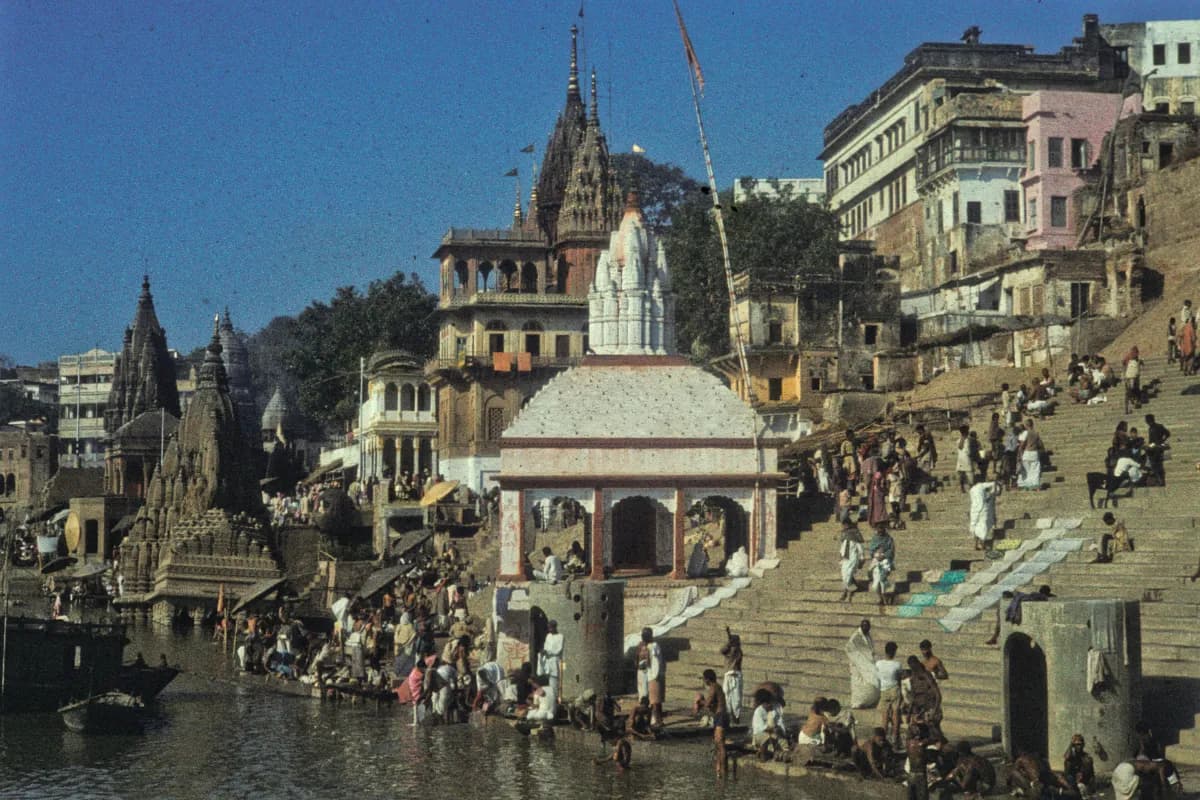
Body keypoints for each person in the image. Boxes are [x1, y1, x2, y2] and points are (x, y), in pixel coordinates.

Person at [700, 669, 729, 776]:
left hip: (721, 716)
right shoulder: (717, 687)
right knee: (718, 745)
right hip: (719, 716)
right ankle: (718, 772)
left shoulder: (714, 687)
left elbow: (707, 704)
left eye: (704, 679)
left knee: (720, 745)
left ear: (707, 679)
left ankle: (723, 771)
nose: (703, 681)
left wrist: (699, 700)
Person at [846, 619, 880, 709]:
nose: (866, 628)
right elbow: (850, 649)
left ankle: (869, 701)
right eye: (864, 626)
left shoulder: (868, 636)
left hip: (867, 663)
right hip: (857, 665)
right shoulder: (855, 637)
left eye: (867, 626)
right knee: (858, 684)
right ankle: (857, 703)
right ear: (861, 626)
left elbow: (869, 649)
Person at [875, 641, 903, 745]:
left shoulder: (879, 663)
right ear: (894, 651)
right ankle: (895, 737)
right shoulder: (897, 664)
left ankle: (884, 737)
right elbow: (899, 679)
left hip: (884, 690)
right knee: (896, 713)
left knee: (885, 715)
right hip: (895, 688)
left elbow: (877, 677)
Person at [635, 627, 663, 728]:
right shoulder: (643, 645)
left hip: (654, 676)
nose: (644, 637)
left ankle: (658, 721)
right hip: (648, 675)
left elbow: (654, 662)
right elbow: (637, 660)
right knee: (649, 699)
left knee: (655, 701)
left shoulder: (654, 646)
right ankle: (653, 720)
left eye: (645, 635)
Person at [750, 687, 787, 759]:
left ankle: (781, 752)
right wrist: (772, 729)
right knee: (766, 738)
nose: (770, 705)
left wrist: (780, 730)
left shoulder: (774, 710)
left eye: (770, 702)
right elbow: (761, 728)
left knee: (782, 740)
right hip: (759, 735)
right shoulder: (758, 712)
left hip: (773, 733)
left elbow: (780, 722)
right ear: (762, 703)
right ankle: (763, 754)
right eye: (767, 703)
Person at [719, 627, 743, 725]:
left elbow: (734, 653)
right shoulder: (728, 650)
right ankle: (729, 716)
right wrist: (729, 640)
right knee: (727, 696)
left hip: (736, 676)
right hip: (728, 676)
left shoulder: (738, 651)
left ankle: (736, 717)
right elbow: (722, 650)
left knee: (736, 699)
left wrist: (729, 637)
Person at [537, 620, 564, 707]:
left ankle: (555, 700)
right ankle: (548, 699)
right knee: (548, 681)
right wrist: (543, 652)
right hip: (548, 661)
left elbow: (558, 650)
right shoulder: (548, 636)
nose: (549, 630)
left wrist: (548, 652)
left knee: (555, 682)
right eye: (548, 628)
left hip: (556, 660)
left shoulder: (561, 636)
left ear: (555, 627)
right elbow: (546, 646)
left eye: (551, 628)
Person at [868, 524, 896, 608]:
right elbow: (871, 551)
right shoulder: (874, 538)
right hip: (876, 561)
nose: (879, 530)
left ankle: (884, 599)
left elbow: (891, 551)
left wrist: (883, 555)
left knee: (882, 580)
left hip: (885, 561)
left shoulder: (889, 539)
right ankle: (881, 598)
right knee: (876, 583)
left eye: (881, 528)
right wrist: (876, 555)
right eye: (878, 528)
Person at [968, 479, 998, 551]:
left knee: (975, 527)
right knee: (983, 527)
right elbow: (993, 483)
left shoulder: (971, 490)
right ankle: (982, 545)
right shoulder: (981, 486)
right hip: (982, 509)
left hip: (974, 510)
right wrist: (992, 492)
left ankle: (975, 545)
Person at [839, 521, 865, 602]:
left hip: (852, 559)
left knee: (849, 575)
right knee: (844, 576)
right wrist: (840, 557)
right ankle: (852, 588)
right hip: (845, 559)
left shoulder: (855, 539)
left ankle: (846, 593)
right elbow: (842, 550)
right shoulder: (844, 540)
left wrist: (862, 559)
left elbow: (860, 550)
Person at [1017, 418, 1043, 491]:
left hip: (1026, 453)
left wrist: (1020, 453)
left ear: (1026, 425)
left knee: (1026, 471)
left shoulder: (1025, 433)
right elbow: (1040, 444)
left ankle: (1025, 485)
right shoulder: (1036, 433)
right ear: (1032, 424)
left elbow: (1022, 445)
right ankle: (1035, 485)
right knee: (1035, 470)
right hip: (1034, 453)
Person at [1145, 414, 1171, 486]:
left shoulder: (1158, 427)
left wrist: (1162, 441)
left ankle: (1161, 480)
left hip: (1157, 449)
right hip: (1153, 449)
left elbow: (1168, 433)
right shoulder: (1151, 428)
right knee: (1156, 465)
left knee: (1157, 465)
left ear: (1148, 420)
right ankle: (1160, 480)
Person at [955, 426, 974, 493]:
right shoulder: (970, 440)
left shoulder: (959, 440)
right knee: (969, 474)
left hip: (960, 459)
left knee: (962, 474)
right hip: (966, 459)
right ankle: (969, 488)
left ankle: (962, 488)